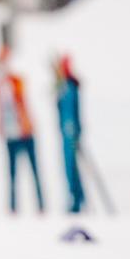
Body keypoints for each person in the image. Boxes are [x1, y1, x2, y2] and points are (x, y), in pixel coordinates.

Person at [0, 46, 44, 214]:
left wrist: (5, 77)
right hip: (10, 134)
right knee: (12, 174)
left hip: (25, 132)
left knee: (34, 171)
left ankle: (41, 206)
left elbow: (20, 87)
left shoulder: (15, 80)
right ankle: (13, 208)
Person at [53, 54, 85, 213]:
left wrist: (74, 131)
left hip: (70, 133)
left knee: (72, 168)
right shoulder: (63, 86)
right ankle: (76, 198)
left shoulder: (69, 87)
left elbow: (71, 113)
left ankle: (77, 199)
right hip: (66, 133)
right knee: (69, 168)